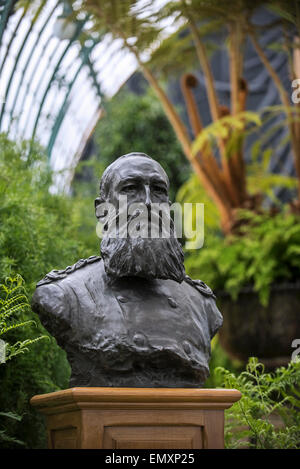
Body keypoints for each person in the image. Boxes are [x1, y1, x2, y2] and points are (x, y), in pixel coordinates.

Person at [32, 152, 222, 387]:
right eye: (131, 189)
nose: (149, 203)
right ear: (102, 210)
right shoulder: (65, 296)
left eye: (158, 190)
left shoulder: (201, 304)